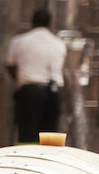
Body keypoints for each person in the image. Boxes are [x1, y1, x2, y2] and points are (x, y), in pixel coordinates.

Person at [5, 7, 67, 143]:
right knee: (50, 139)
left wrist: (21, 79)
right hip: (53, 93)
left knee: (28, 134)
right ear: (50, 23)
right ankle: (46, 161)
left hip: (30, 92)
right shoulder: (59, 43)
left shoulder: (20, 41)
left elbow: (10, 65)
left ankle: (27, 161)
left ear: (32, 22)